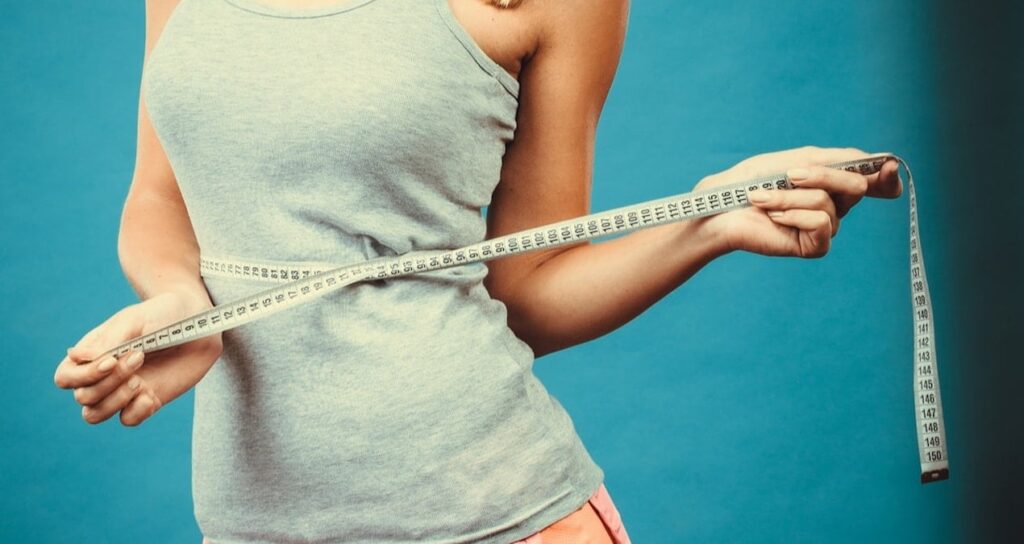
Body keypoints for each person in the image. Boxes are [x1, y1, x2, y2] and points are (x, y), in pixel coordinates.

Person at [52, 0, 903, 542]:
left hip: (500, 515)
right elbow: (158, 194)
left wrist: (704, 223)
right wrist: (182, 301)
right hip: (252, 519)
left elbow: (527, 292)